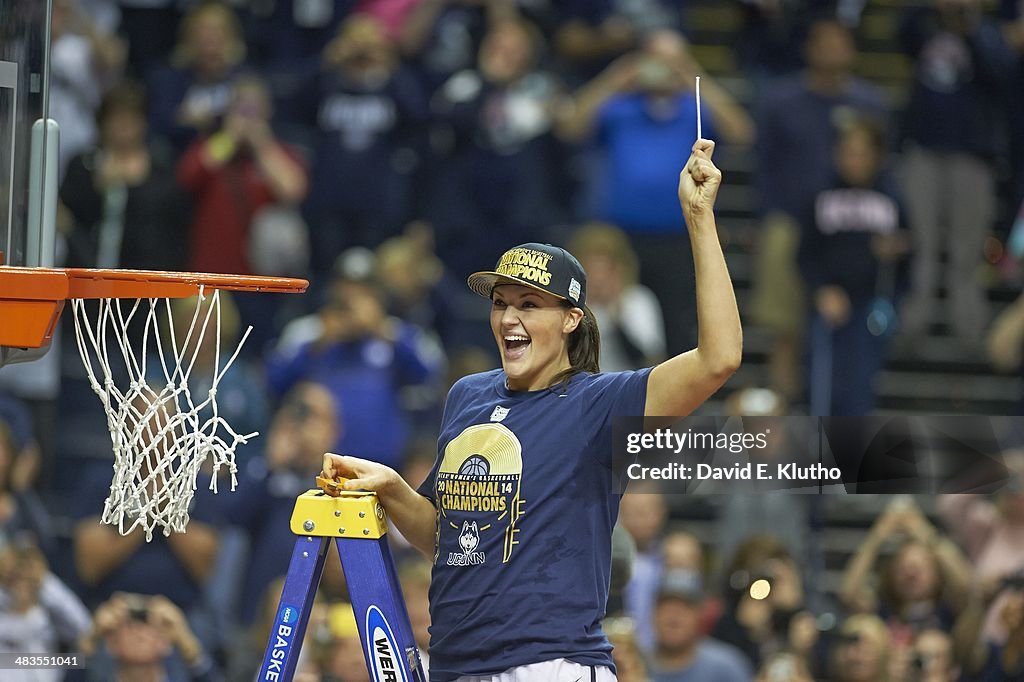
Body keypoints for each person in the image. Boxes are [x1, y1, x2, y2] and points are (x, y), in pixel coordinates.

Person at [321, 138, 741, 680]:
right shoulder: (467, 395)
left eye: (529, 305)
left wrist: (699, 218)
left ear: (570, 319)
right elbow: (452, 541)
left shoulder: (599, 403)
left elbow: (720, 358)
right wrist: (393, 487)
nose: (508, 318)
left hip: (551, 665)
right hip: (456, 667)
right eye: (500, 303)